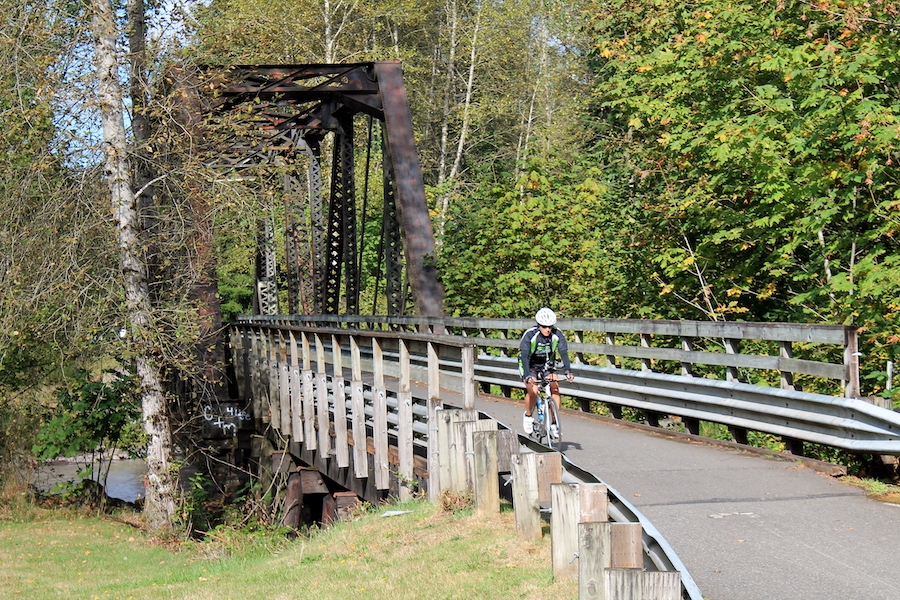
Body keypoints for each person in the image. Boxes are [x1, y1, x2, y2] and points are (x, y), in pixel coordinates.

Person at [519, 307, 574, 437]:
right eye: (544, 326)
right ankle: (528, 415)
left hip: (547, 365)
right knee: (533, 390)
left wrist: (568, 370)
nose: (547, 329)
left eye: (550, 326)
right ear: (539, 325)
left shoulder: (557, 334)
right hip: (530, 365)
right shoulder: (530, 335)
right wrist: (527, 375)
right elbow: (524, 356)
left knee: (555, 388)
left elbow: (563, 353)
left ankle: (554, 423)